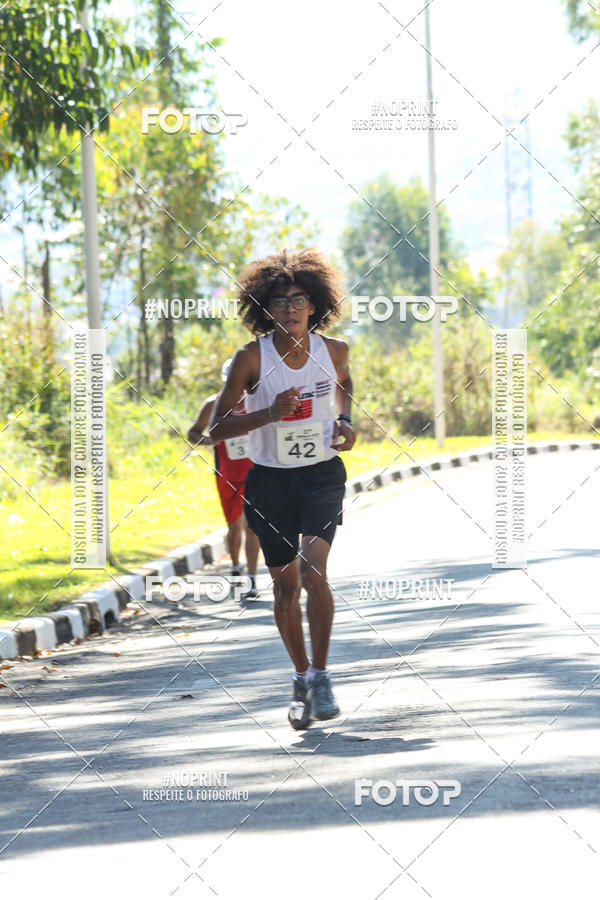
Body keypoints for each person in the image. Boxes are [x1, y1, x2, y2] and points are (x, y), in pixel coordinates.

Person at [209, 248, 356, 729]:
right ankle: (301, 675)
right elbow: (217, 428)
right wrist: (269, 413)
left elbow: (345, 384)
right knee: (286, 589)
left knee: (315, 571)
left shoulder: (335, 350)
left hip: (321, 475)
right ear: (265, 310)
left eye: (298, 299)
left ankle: (322, 674)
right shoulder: (251, 358)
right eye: (279, 302)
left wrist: (347, 423)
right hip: (269, 480)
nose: (289, 308)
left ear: (314, 305)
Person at [187, 359, 260, 598]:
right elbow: (193, 432)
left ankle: (251, 578)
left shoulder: (256, 402)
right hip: (226, 474)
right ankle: (236, 568)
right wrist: (210, 441)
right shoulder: (213, 404)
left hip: (256, 473)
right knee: (234, 527)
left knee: (252, 527)